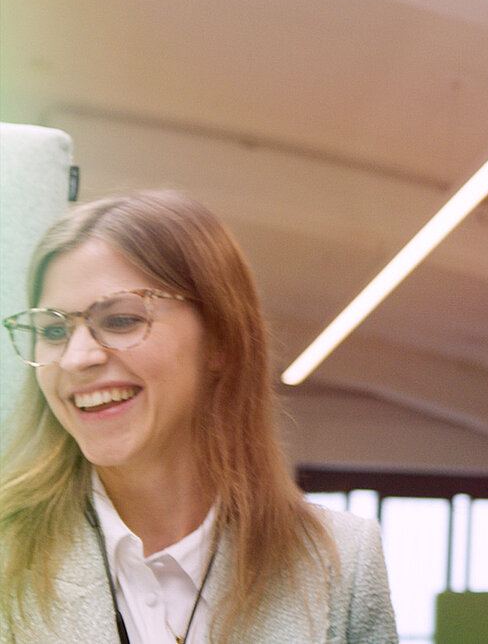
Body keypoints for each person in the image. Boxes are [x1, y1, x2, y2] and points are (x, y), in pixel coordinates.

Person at [0, 190, 398, 643]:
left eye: (121, 319)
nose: (76, 358)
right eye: (53, 330)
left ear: (221, 340)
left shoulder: (340, 560)